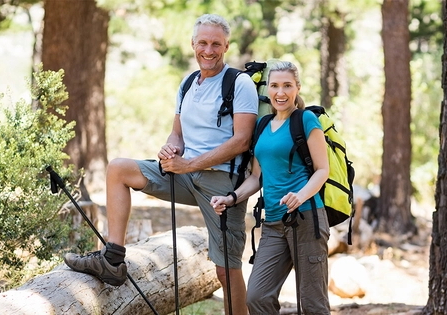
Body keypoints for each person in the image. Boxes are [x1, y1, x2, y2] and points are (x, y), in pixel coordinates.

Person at [64, 14, 258, 315]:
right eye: (203, 43)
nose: (209, 50)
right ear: (193, 44)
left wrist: (189, 164)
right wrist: (171, 147)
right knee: (118, 168)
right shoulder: (188, 83)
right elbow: (177, 133)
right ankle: (113, 259)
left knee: (225, 270)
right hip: (183, 173)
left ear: (227, 45)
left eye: (216, 44)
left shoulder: (239, 83)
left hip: (222, 183)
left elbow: (242, 140)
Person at [211, 61, 331, 315]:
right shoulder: (263, 125)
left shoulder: (306, 119)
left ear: (297, 88)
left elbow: (322, 170)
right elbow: (257, 176)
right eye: (275, 85)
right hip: (274, 224)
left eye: (287, 85)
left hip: (307, 218)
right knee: (257, 297)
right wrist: (231, 198)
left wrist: (300, 196)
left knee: (312, 304)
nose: (280, 92)